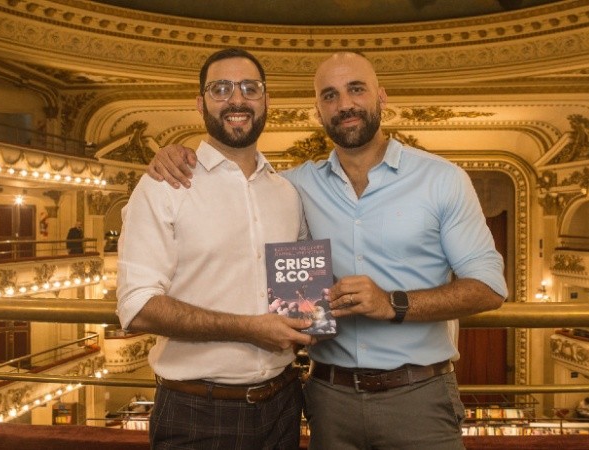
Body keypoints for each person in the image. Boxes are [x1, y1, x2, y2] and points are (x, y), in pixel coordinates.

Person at [148, 51, 508, 450]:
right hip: (329, 398)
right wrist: (179, 153)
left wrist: (393, 303)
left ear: (381, 96)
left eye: (356, 89)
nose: (345, 104)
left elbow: (489, 288)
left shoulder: (442, 179)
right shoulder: (293, 186)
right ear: (317, 110)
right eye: (330, 95)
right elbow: (238, 177)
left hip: (419, 396)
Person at [116, 48, 316, 450]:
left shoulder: (286, 192)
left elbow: (299, 292)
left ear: (267, 100)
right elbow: (136, 307)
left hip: (283, 403)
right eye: (221, 89)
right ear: (200, 103)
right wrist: (249, 328)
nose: (237, 100)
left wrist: (311, 317)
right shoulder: (165, 185)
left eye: (250, 88)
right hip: (197, 410)